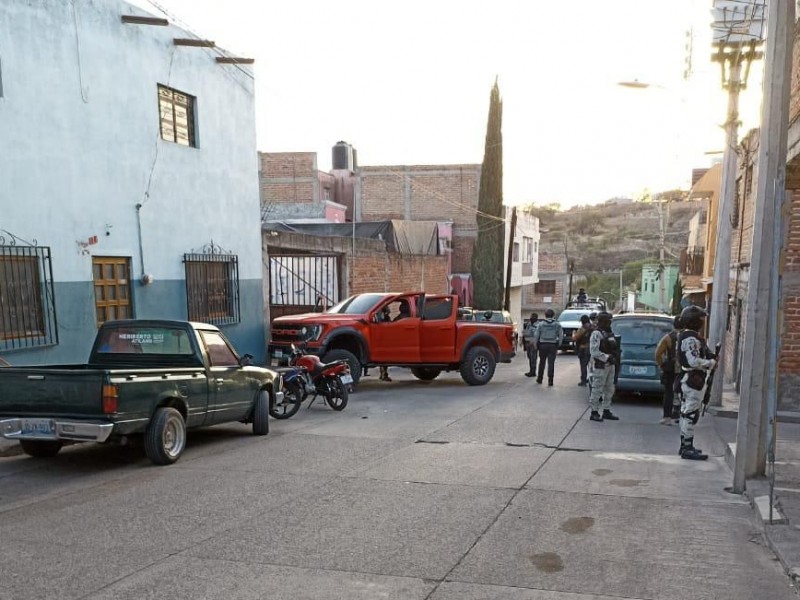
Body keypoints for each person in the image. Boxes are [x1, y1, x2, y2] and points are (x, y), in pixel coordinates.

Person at [676, 305, 716, 461]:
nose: (702, 322)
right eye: (700, 319)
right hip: (692, 380)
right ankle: (687, 448)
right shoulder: (690, 338)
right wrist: (710, 363)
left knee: (687, 413)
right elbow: (693, 361)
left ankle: (686, 445)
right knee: (690, 414)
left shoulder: (690, 336)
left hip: (692, 379)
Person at [588, 311, 620, 422]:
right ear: (602, 322)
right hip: (600, 365)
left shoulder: (609, 333)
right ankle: (594, 411)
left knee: (609, 388)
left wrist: (614, 357)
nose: (609, 324)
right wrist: (607, 357)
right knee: (597, 389)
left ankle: (606, 410)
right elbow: (594, 351)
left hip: (610, 365)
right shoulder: (596, 334)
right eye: (607, 321)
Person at [655, 316, 682, 425]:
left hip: (671, 368)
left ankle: (667, 417)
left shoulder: (668, 338)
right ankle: (681, 415)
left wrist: (662, 365)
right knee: (683, 393)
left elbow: (658, 354)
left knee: (669, 392)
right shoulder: (688, 337)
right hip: (685, 369)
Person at [534, 308, 563, 386]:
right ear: (553, 315)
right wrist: (559, 344)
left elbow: (536, 335)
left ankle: (540, 379)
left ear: (545, 315)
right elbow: (561, 335)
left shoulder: (541, 324)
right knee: (551, 363)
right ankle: (550, 380)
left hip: (543, 345)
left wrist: (535, 344)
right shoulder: (557, 324)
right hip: (553, 345)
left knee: (542, 362)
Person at [572, 314, 592, 386]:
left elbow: (575, 338)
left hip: (584, 349)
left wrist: (573, 333)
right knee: (592, 365)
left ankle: (583, 381)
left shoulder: (582, 329)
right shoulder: (593, 327)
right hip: (593, 349)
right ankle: (591, 379)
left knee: (583, 365)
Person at [523, 312, 539, 377]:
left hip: (533, 343)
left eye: (533, 317)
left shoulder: (538, 325)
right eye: (531, 316)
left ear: (536, 318)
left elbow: (536, 335)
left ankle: (533, 372)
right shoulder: (529, 324)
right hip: (528, 342)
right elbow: (526, 332)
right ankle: (531, 370)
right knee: (529, 357)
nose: (532, 318)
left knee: (533, 358)